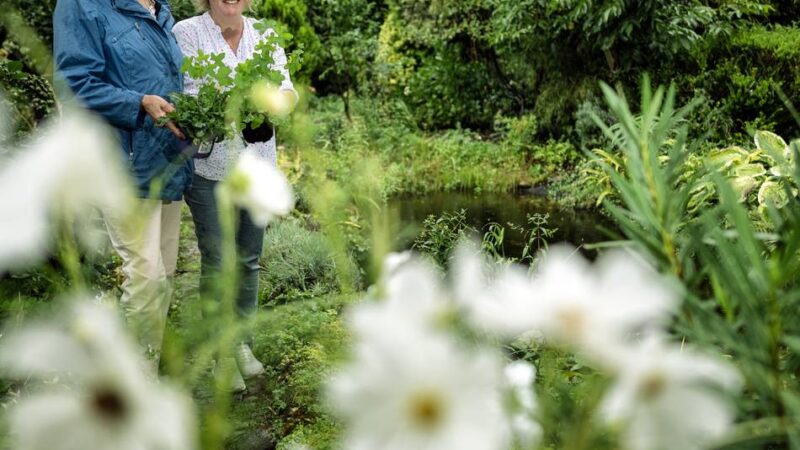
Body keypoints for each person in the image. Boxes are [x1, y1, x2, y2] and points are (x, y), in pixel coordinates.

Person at [53, 0, 193, 366]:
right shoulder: (81, 6)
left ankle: (144, 369)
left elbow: (168, 81)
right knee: (145, 277)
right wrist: (138, 102)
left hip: (165, 161)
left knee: (163, 274)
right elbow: (74, 83)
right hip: (122, 164)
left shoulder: (160, 10)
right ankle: (136, 388)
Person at [173, 0, 298, 392]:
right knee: (217, 258)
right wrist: (235, 101)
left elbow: (287, 90)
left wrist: (275, 105)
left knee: (247, 258)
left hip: (256, 168)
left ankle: (241, 342)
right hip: (209, 169)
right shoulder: (186, 33)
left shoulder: (266, 34)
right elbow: (188, 95)